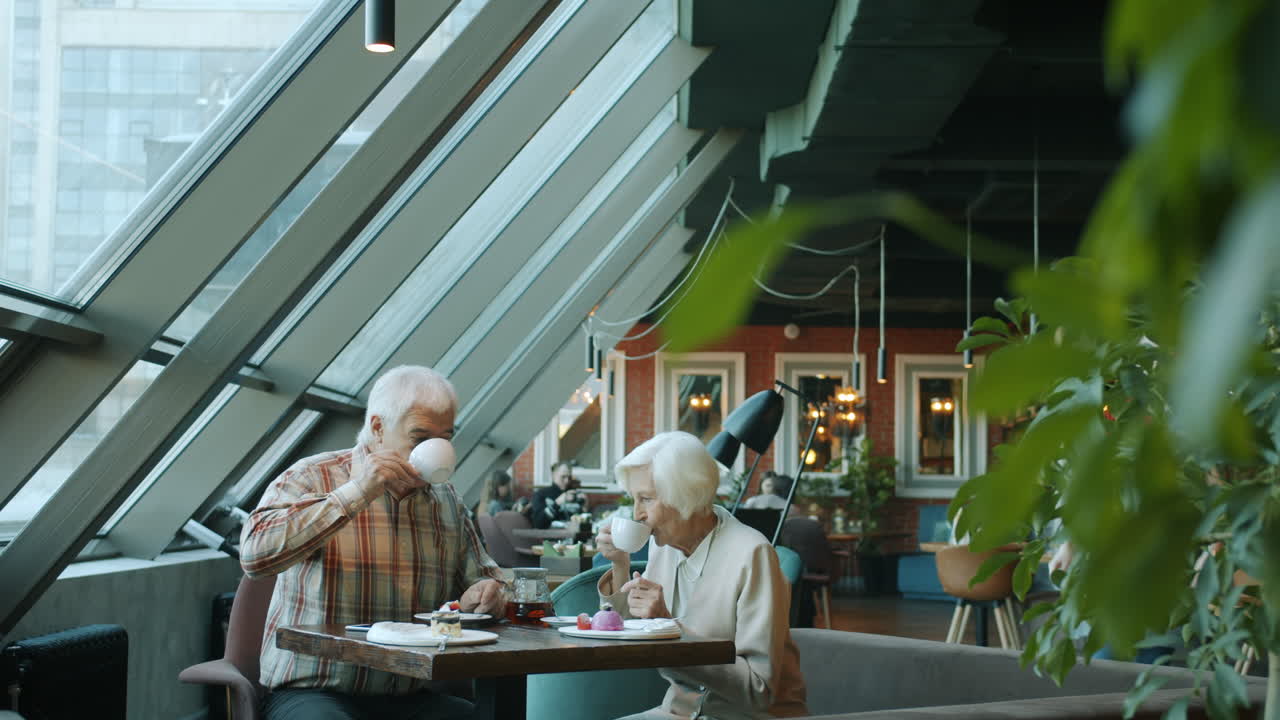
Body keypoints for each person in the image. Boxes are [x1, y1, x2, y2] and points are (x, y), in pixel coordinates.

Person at [241, 365, 505, 720]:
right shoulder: (311, 476)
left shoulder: (446, 502)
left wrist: (487, 592)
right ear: (378, 429)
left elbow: (489, 580)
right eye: (420, 437)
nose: (436, 449)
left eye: (445, 437)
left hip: (409, 694)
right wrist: (356, 493)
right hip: (313, 690)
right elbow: (254, 556)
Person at [596, 432, 808, 719]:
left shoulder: (751, 554)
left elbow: (758, 690)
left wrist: (667, 628)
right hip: (679, 712)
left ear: (686, 496)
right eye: (634, 499)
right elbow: (627, 634)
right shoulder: (666, 547)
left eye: (646, 499)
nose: (637, 514)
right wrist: (621, 565)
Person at [530, 461, 587, 529]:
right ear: (553, 475)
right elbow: (538, 523)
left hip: (575, 535)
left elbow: (582, 522)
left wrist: (585, 507)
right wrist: (557, 503)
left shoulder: (574, 494)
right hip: (552, 536)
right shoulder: (541, 494)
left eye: (569, 477)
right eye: (563, 477)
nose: (567, 481)